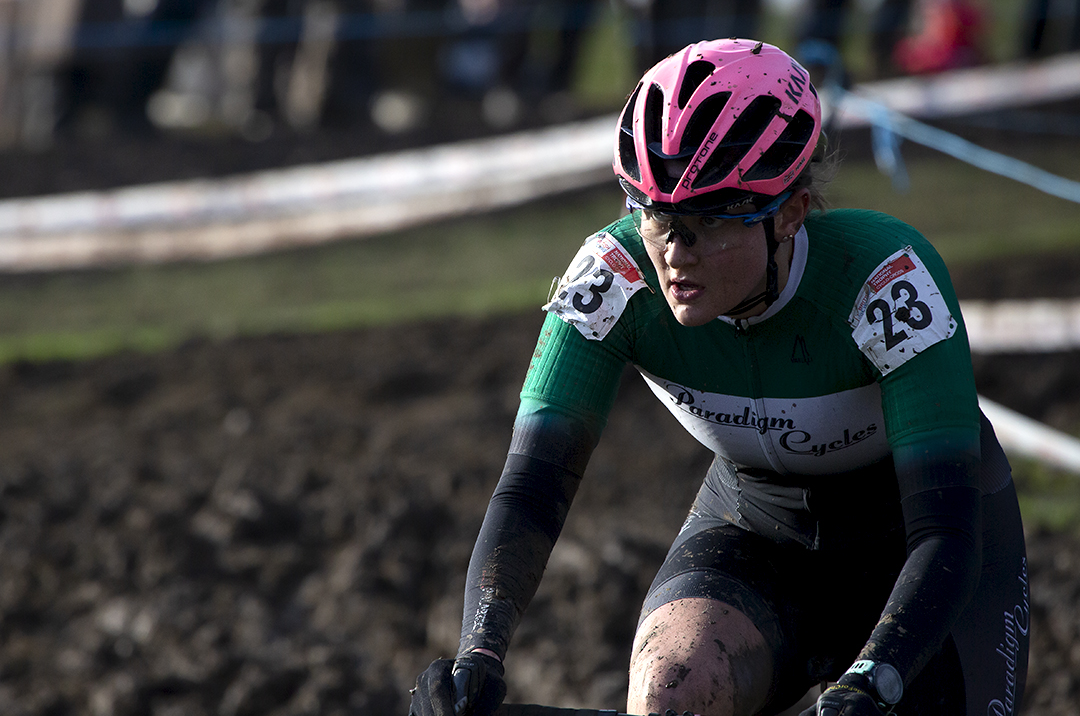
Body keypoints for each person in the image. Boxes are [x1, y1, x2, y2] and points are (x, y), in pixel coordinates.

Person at [408, 38, 1029, 716]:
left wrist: (871, 682)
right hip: (755, 532)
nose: (676, 252)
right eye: (657, 216)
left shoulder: (884, 279)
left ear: (790, 213)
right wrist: (480, 654)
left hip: (916, 547)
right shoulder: (613, 278)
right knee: (673, 690)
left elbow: (943, 529)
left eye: (707, 222)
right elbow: (532, 486)